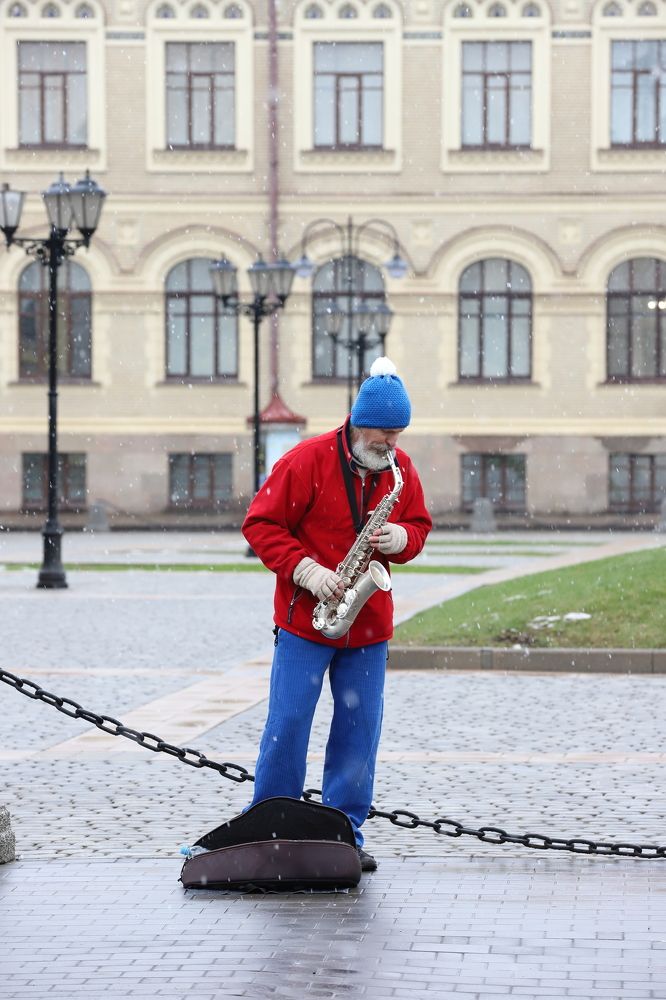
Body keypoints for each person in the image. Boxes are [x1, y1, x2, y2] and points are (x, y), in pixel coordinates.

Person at [242, 358, 432, 871]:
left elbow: (419, 526)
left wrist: (402, 537)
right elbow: (260, 525)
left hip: (366, 626)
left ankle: (344, 833)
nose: (392, 444)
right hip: (306, 620)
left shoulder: (399, 469)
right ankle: (271, 826)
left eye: (398, 434)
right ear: (359, 423)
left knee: (359, 730)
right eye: (385, 434)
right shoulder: (306, 461)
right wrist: (306, 571)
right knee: (288, 723)